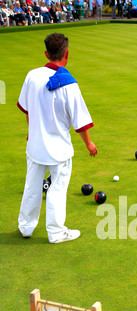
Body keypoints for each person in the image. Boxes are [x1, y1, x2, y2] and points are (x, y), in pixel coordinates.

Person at [17, 33, 97, 243]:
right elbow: (80, 122)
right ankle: (56, 232)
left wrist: (31, 131)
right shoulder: (70, 85)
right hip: (59, 149)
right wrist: (88, 143)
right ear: (66, 54)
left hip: (35, 145)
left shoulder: (32, 76)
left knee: (31, 186)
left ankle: (26, 227)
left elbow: (26, 109)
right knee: (57, 189)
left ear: (46, 53)